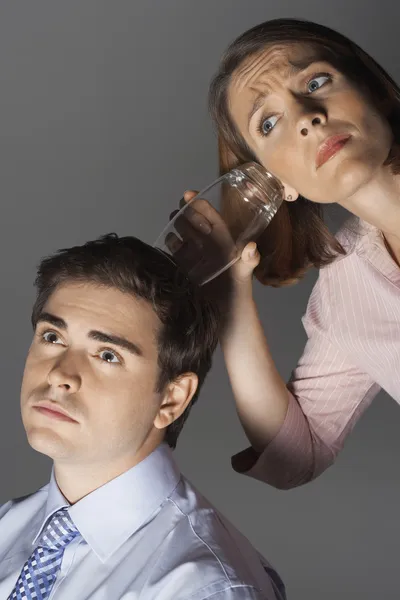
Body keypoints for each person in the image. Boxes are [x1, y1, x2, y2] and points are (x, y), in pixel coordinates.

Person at [0, 234, 285, 600]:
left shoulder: (204, 587)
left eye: (107, 355)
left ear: (171, 399)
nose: (59, 375)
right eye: (53, 337)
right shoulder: (9, 526)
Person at [180, 17, 400, 490]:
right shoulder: (349, 288)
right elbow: (294, 456)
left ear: (373, 90)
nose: (306, 116)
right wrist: (231, 296)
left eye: (316, 81)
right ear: (274, 182)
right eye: (269, 122)